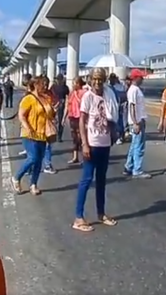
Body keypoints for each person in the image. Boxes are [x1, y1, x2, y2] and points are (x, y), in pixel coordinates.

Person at [73, 68, 118, 232]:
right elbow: (82, 121)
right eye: (95, 79)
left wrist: (113, 134)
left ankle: (101, 213)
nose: (97, 82)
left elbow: (111, 117)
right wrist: (84, 144)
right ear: (90, 80)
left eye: (100, 79)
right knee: (86, 180)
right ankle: (78, 217)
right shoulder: (88, 96)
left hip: (104, 144)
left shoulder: (108, 95)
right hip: (91, 144)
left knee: (101, 180)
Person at [12, 75, 55, 195]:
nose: (45, 86)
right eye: (42, 84)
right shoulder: (28, 99)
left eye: (46, 84)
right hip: (29, 134)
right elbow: (21, 115)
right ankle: (16, 177)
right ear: (36, 85)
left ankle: (33, 184)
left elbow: (49, 114)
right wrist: (27, 127)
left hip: (42, 134)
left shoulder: (45, 98)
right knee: (33, 157)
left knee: (39, 161)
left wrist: (53, 111)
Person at [124, 69, 151, 179]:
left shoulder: (135, 89)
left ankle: (129, 166)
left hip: (139, 120)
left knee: (135, 145)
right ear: (135, 78)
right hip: (137, 121)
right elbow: (132, 106)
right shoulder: (133, 90)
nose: (142, 79)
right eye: (141, 77)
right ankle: (137, 169)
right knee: (139, 146)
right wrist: (135, 122)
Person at [63, 77, 86, 164]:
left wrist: (77, 95)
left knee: (81, 137)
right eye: (73, 83)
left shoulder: (84, 93)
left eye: (75, 83)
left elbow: (84, 104)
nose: (73, 85)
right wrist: (64, 117)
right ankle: (75, 157)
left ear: (79, 84)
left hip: (80, 117)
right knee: (74, 137)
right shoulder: (71, 93)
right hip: (72, 116)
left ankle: (84, 157)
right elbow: (68, 105)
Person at [50, 74, 70, 142]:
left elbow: (50, 95)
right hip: (60, 104)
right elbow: (67, 97)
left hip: (56, 104)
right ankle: (59, 136)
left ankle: (56, 134)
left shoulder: (53, 87)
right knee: (60, 120)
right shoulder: (65, 87)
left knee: (56, 120)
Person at [109, 73, 127, 145]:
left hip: (118, 107)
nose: (112, 80)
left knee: (119, 122)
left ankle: (120, 136)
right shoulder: (109, 88)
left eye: (113, 79)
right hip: (114, 107)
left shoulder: (119, 86)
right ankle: (117, 136)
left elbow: (123, 96)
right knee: (116, 122)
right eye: (111, 79)